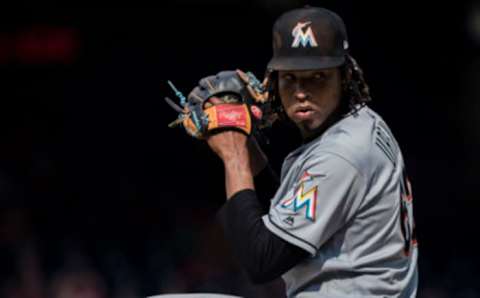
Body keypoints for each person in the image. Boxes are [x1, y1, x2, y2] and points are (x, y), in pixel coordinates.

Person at [206, 6, 418, 298]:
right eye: (290, 78)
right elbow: (285, 217)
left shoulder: (341, 154)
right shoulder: (363, 123)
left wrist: (233, 155)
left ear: (344, 77)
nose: (301, 91)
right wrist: (244, 143)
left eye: (316, 77)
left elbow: (261, 261)